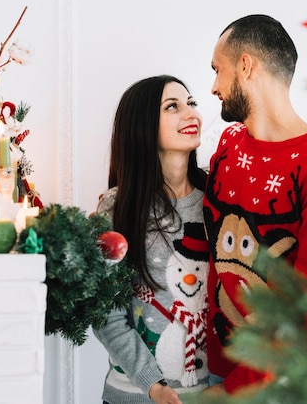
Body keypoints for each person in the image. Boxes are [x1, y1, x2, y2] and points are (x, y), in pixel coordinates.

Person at [203, 14, 307, 395]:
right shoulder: (229, 143)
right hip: (212, 368)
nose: (213, 87)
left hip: (274, 384)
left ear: (245, 65)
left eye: (217, 70)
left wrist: (237, 389)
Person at [94, 75, 210, 404]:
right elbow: (105, 313)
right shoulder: (116, 207)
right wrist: (153, 386)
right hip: (134, 396)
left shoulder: (217, 202)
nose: (191, 114)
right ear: (143, 125)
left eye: (192, 103)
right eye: (173, 106)